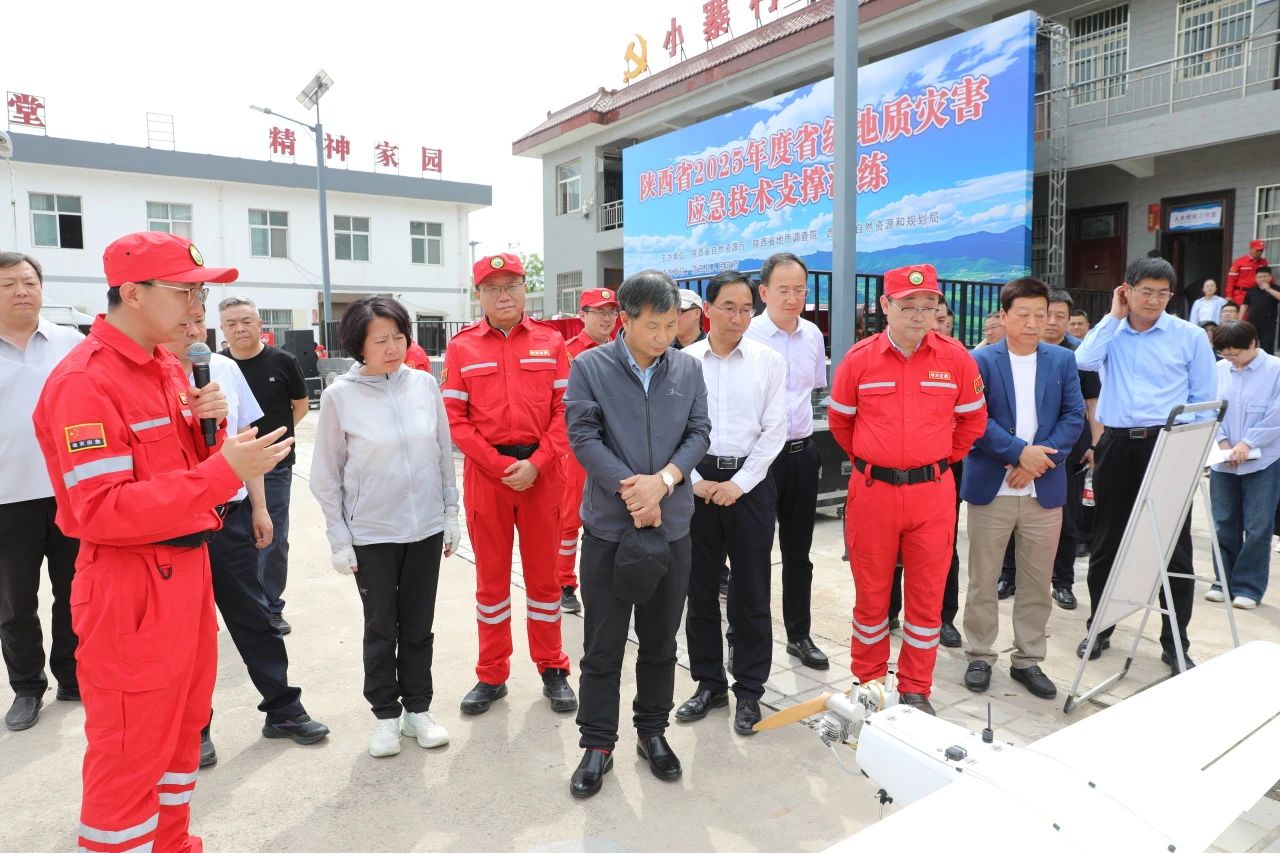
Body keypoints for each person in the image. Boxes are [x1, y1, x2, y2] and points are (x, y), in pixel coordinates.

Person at [32, 231, 291, 853]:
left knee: (181, 733)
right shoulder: (85, 382)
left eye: (200, 293)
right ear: (132, 293)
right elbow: (102, 509)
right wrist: (222, 470)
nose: (198, 307)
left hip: (187, 571)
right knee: (131, 747)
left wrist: (207, 434)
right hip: (130, 585)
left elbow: (180, 473)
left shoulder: (170, 368)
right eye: (185, 292)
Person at [564, 269, 710, 798]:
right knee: (602, 644)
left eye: (672, 325)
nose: (664, 336)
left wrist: (664, 482)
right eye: (653, 325)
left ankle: (652, 732)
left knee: (660, 640)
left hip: (671, 527)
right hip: (610, 528)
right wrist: (633, 491)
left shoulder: (688, 369)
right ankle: (597, 743)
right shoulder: (589, 367)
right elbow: (583, 435)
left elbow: (699, 431)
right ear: (624, 320)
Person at [164, 304, 328, 767]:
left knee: (256, 616)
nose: (192, 330)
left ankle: (283, 709)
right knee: (189, 632)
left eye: (198, 320)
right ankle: (195, 727)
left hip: (229, 516)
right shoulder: (145, 376)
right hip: (175, 525)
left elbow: (244, 439)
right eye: (182, 320)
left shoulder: (223, 368)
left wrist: (258, 506)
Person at [827, 264, 986, 715]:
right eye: (907, 305)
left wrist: (937, 461)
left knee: (926, 597)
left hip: (932, 494)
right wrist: (874, 460)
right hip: (873, 492)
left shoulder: (956, 358)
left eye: (928, 305)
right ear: (885, 306)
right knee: (871, 597)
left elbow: (972, 422)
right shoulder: (860, 359)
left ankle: (916, 688)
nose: (919, 314)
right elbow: (841, 423)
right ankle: (869, 685)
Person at [312, 296, 459, 757]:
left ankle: (418, 710)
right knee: (381, 627)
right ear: (359, 344)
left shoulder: (423, 385)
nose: (393, 348)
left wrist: (450, 514)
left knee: (419, 625)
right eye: (380, 340)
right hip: (372, 533)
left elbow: (442, 453)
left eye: (398, 337)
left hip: (425, 529)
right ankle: (385, 716)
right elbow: (325, 475)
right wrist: (339, 538)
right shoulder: (340, 396)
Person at [441, 253, 576, 716]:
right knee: (491, 582)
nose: (504, 295)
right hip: (488, 478)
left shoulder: (550, 342)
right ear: (478, 295)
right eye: (493, 287)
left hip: (543, 476)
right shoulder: (462, 348)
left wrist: (538, 462)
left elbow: (566, 410)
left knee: (545, 580)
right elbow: (455, 418)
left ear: (524, 289)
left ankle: (553, 667)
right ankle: (491, 673)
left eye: (512, 285)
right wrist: (499, 465)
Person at [1075, 257, 1216, 676]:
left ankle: (1175, 642)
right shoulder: (1111, 333)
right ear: (1127, 291)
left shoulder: (1189, 336)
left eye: (1162, 293)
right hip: (1117, 444)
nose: (1153, 300)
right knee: (1107, 540)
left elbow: (1204, 399)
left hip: (1168, 444)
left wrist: (1188, 452)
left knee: (1174, 548)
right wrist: (1112, 316)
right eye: (1145, 291)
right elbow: (1083, 360)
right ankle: (1100, 628)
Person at [960, 278, 1084, 700]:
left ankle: (1028, 659)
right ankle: (979, 654)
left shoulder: (1062, 360)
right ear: (1004, 315)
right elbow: (975, 418)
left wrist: (1036, 463)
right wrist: (1018, 454)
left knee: (1037, 581)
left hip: (1042, 489)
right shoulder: (980, 360)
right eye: (1024, 315)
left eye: (1040, 315)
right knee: (983, 579)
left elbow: (1073, 416)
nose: (1033, 323)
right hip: (992, 488)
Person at [676, 271, 785, 736]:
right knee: (698, 589)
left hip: (750, 483)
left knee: (752, 590)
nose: (738, 317)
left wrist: (738, 484)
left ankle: (750, 690)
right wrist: (696, 480)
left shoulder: (768, 361)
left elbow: (775, 430)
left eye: (746, 309)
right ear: (708, 310)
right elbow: (672, 428)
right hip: (695, 482)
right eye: (728, 307)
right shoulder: (683, 361)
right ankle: (708, 684)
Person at [0, 252, 83, 732]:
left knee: (76, 591)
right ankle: (27, 687)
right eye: (7, 284)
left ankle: (73, 676)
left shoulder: (72, 343)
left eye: (29, 281)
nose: (21, 291)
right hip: (7, 497)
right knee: (15, 601)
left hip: (71, 492)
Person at [745, 252, 830, 670]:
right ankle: (749, 640)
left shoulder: (812, 334)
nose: (794, 298)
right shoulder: (747, 336)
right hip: (760, 459)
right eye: (784, 290)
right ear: (764, 292)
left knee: (799, 552)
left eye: (800, 290)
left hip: (801, 454)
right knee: (754, 554)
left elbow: (813, 391)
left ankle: (799, 635)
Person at [998, 290, 1101, 609]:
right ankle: (1008, 575)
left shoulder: (1076, 356)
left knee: (1066, 520)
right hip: (1010, 459)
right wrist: (1019, 455)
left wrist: (1094, 443)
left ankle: (1063, 582)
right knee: (1011, 519)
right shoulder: (1004, 355)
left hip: (1063, 453)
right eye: (1047, 314)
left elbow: (1088, 406)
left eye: (1059, 316)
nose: (1050, 321)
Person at [219, 297, 309, 634]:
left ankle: (271, 608)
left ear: (260, 325)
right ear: (223, 330)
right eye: (231, 323)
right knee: (234, 541)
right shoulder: (216, 366)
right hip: (227, 468)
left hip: (275, 466)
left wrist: (275, 441)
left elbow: (300, 406)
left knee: (272, 539)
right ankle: (244, 608)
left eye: (246, 321)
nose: (240, 329)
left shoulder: (283, 361)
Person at [1207, 321, 1280, 610]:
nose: (1231, 360)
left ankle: (1248, 586)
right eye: (1225, 354)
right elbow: (1209, 407)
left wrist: (1248, 443)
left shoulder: (1275, 369)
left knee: (1258, 524)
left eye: (1235, 353)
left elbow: (1277, 414)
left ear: (1253, 343)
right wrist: (1223, 442)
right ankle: (1221, 581)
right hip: (1224, 459)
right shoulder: (1218, 370)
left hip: (1264, 459)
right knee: (1223, 521)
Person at [558, 287, 620, 614]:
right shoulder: (568, 352)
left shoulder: (624, 350)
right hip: (578, 449)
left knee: (614, 513)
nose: (607, 318)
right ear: (582, 315)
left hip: (617, 445)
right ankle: (564, 583)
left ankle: (614, 577)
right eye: (599, 312)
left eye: (611, 312)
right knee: (570, 518)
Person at [1240, 266, 1278, 354]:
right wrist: (1239, 320)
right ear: (1256, 279)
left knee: (1267, 347)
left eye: (1265, 276)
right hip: (1252, 323)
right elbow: (1244, 306)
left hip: (1268, 324)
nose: (1262, 279)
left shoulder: (1275, 288)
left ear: (1270, 277)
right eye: (1260, 277)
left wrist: (1269, 289)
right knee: (1250, 345)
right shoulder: (1251, 290)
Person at [1226, 239, 1268, 306]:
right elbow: (1231, 280)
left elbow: (1268, 277)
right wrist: (1229, 295)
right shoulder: (1239, 262)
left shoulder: (1264, 262)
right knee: (1241, 312)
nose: (1260, 252)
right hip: (1240, 294)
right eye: (1257, 250)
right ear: (1251, 249)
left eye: (1261, 250)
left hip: (1257, 293)